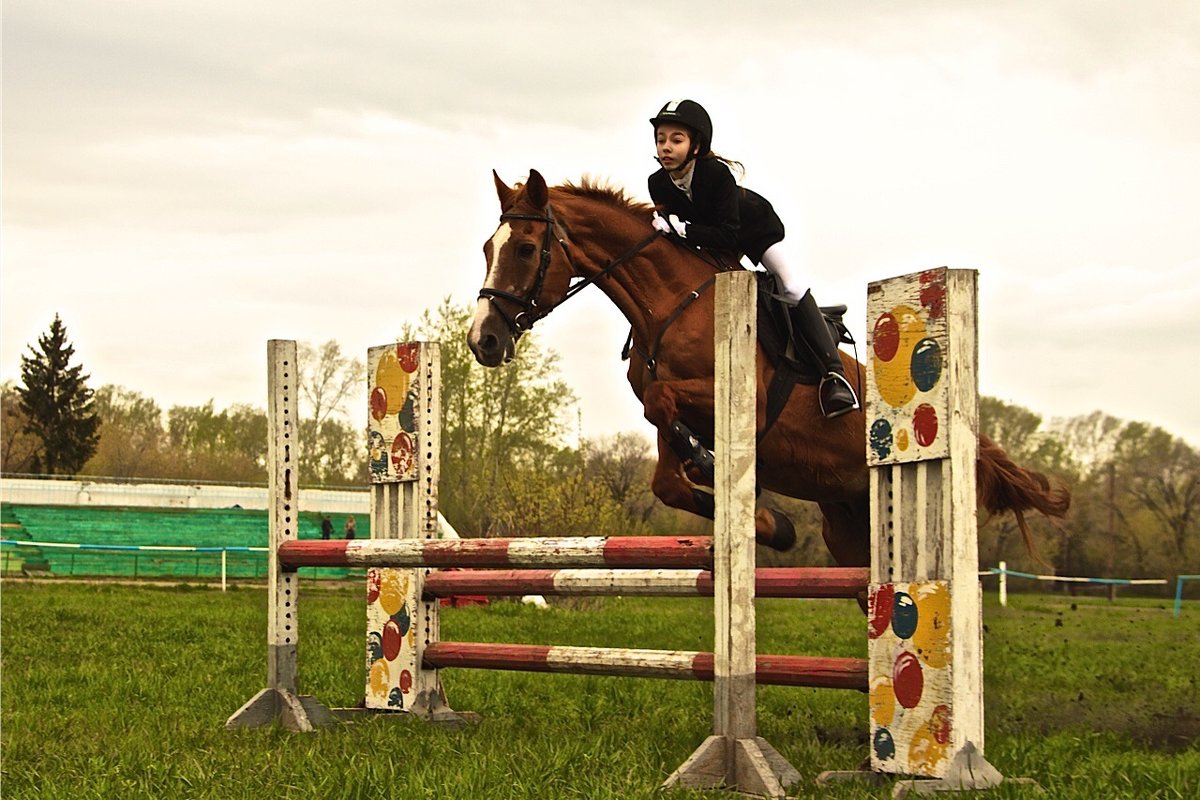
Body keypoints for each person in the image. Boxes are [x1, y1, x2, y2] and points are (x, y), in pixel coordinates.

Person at [647, 99, 858, 419]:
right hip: (710, 243)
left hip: (753, 230)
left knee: (790, 285)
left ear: (695, 146)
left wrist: (683, 230)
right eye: (661, 139)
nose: (666, 147)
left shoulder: (716, 174)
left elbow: (729, 234)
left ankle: (834, 375)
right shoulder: (657, 182)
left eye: (676, 140)